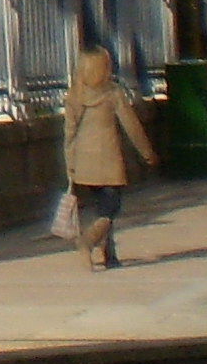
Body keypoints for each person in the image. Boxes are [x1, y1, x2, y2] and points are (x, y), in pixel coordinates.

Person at [63, 44, 156, 271]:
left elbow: (69, 132)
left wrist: (70, 164)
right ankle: (88, 241)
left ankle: (110, 253)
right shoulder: (113, 93)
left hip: (84, 162)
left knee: (101, 206)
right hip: (109, 159)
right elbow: (131, 126)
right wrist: (147, 153)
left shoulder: (75, 95)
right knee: (110, 208)